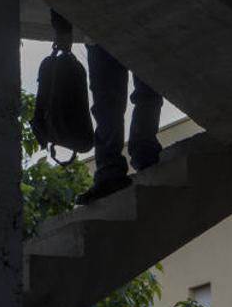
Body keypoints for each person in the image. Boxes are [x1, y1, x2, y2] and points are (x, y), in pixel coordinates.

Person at [54, 11, 161, 205]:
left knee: (139, 95)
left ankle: (131, 159)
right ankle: (121, 165)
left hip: (135, 24)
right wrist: (62, 29)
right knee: (115, 105)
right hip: (102, 33)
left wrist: (62, 30)